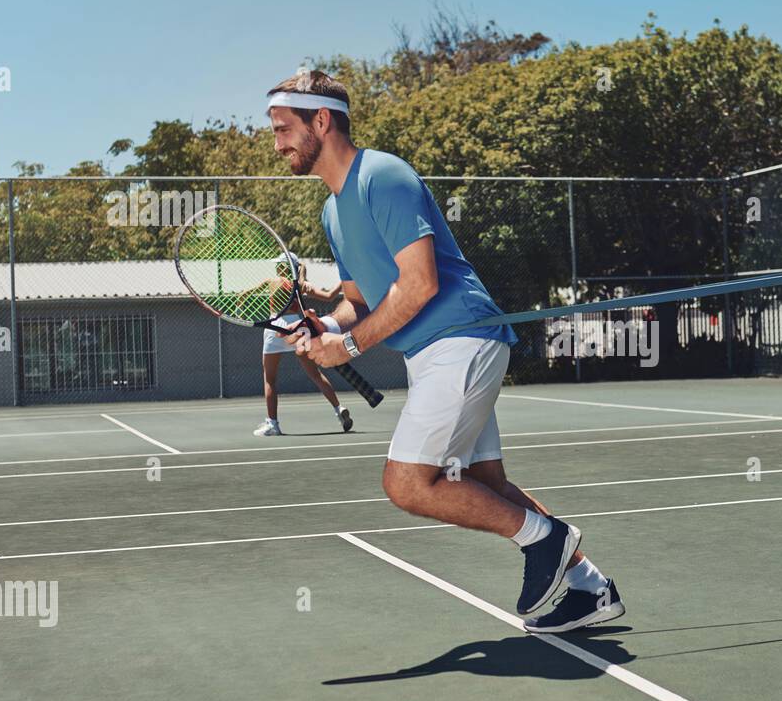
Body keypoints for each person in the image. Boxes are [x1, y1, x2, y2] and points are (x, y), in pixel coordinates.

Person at [266, 70, 625, 633]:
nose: (278, 142)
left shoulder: (381, 177)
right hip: (436, 353)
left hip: (461, 341)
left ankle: (546, 539)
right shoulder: (333, 212)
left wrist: (351, 345)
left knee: (406, 483)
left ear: (321, 119)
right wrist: (323, 328)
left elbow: (420, 284)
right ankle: (590, 587)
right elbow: (358, 302)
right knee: (483, 481)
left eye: (284, 128)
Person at [252, 253, 353, 437]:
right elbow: (330, 296)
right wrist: (346, 275)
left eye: (279, 265)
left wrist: (241, 300)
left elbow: (251, 291)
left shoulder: (275, 281)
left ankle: (272, 424)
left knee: (270, 379)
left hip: (276, 329)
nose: (277, 269)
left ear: (284, 267)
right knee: (315, 374)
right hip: (300, 328)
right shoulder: (302, 285)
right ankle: (339, 409)